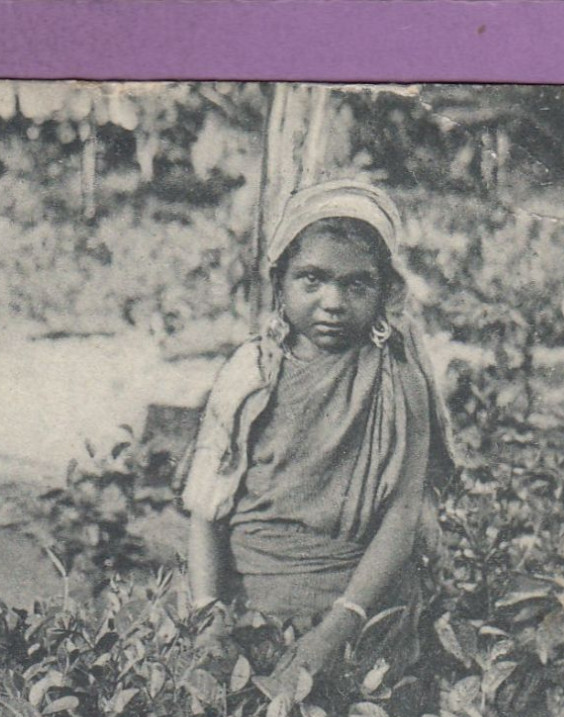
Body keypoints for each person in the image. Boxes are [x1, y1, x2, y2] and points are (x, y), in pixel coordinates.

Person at [179, 180, 453, 688]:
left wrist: (337, 629)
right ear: (279, 283)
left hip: (361, 609)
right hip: (248, 610)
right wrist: (207, 616)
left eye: (356, 285)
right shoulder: (250, 374)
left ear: (384, 291)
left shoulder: (399, 382)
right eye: (312, 280)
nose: (332, 301)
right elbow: (206, 509)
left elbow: (401, 516)